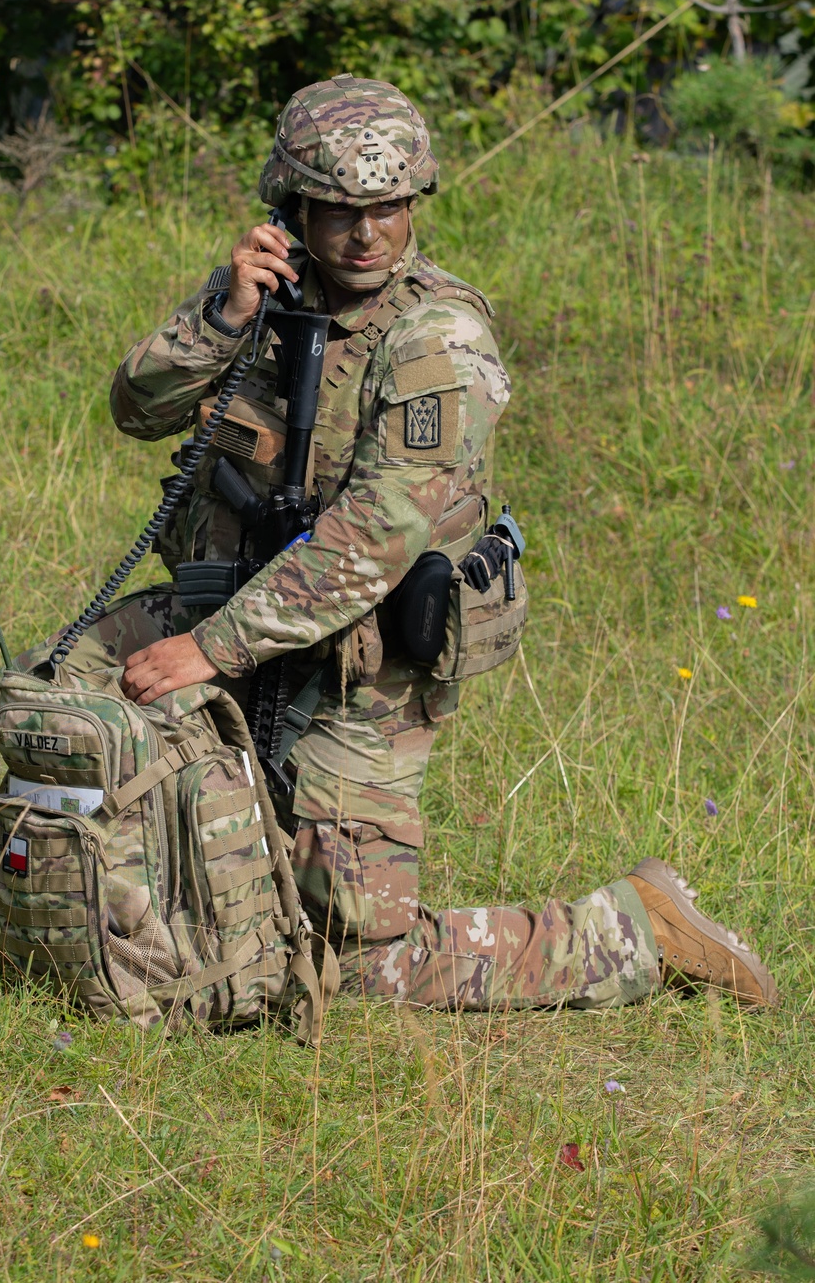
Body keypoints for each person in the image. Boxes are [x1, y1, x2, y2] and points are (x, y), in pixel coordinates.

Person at [108, 73, 777, 1012]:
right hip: (248, 608)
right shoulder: (268, 295)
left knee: (355, 962)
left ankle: (633, 932)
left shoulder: (437, 336)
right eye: (340, 209)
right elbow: (136, 409)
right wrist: (221, 316)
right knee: (66, 693)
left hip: (365, 656)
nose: (367, 232)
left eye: (388, 206)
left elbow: (378, 533)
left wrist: (207, 653)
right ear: (294, 204)